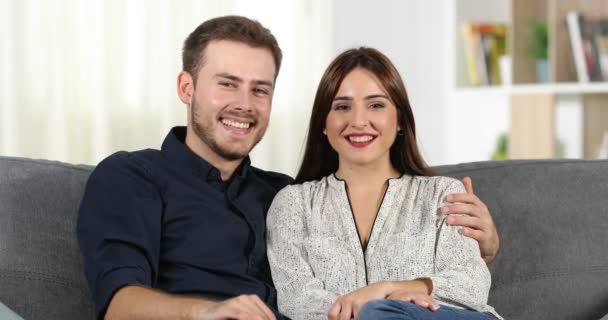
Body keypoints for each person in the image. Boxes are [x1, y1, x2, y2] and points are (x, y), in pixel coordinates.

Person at [77, 16, 499, 320]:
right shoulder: (133, 176)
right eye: (227, 84)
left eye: (259, 89)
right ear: (187, 88)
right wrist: (208, 311)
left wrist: (484, 249)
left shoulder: (280, 193)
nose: (244, 103)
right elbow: (119, 304)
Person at [266, 47, 502, 320]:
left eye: (376, 105)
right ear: (323, 123)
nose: (358, 121)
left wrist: (390, 289)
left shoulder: (443, 194)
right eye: (342, 107)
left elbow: (472, 283)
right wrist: (372, 309)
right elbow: (297, 299)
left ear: (400, 119)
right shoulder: (294, 204)